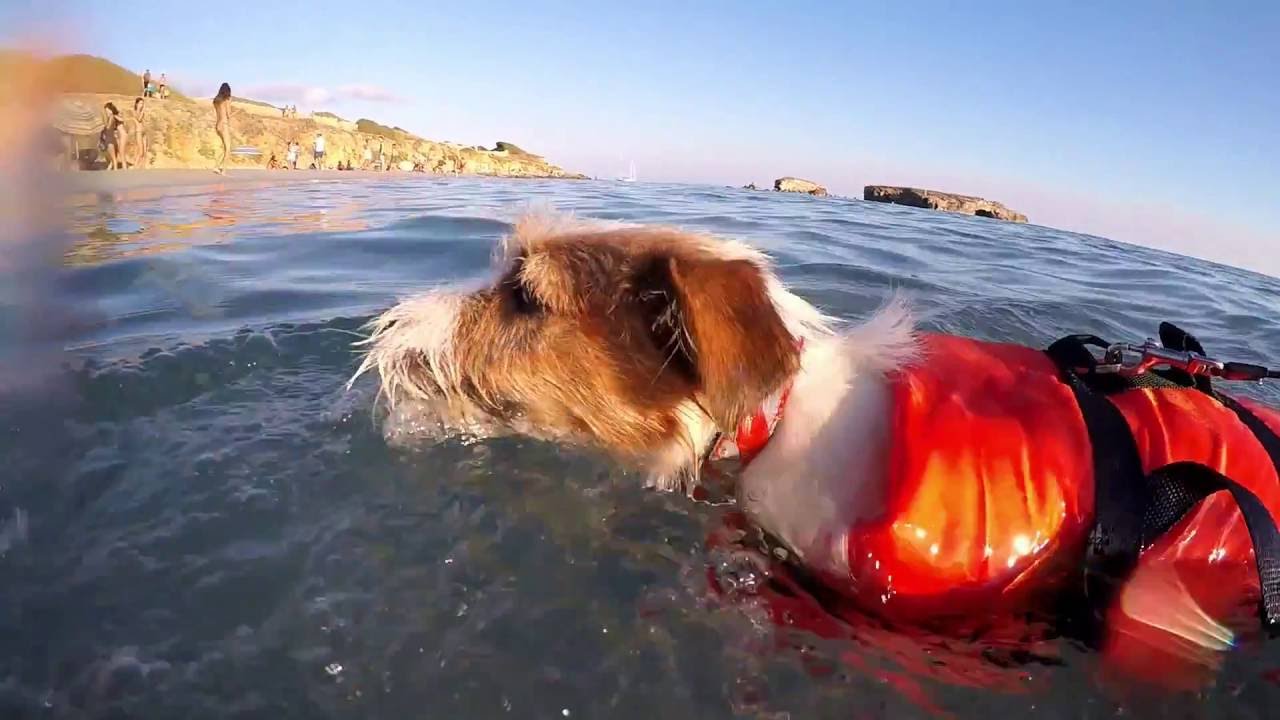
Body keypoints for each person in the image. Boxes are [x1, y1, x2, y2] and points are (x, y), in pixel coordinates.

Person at [213, 82, 232, 175]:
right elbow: (228, 114)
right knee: (228, 148)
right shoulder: (227, 99)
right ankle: (223, 170)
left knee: (223, 147)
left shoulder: (216, 101)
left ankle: (217, 167)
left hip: (218, 124)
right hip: (224, 124)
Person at [131, 97, 148, 168]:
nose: (142, 105)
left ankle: (141, 166)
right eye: (140, 103)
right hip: (139, 132)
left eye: (143, 103)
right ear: (137, 104)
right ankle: (135, 166)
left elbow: (143, 122)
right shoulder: (134, 111)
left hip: (144, 132)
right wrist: (142, 112)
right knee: (140, 152)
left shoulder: (141, 112)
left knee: (144, 151)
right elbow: (139, 119)